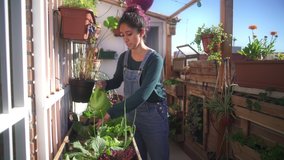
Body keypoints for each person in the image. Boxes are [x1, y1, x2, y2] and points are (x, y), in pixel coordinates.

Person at [96, 4, 169, 160]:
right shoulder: (124, 58)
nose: (125, 39)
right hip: (132, 115)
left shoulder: (155, 60)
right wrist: (104, 84)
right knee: (137, 155)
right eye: (122, 35)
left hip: (153, 116)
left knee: (159, 156)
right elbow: (116, 81)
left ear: (141, 32)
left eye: (128, 34)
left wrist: (112, 112)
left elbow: (143, 95)